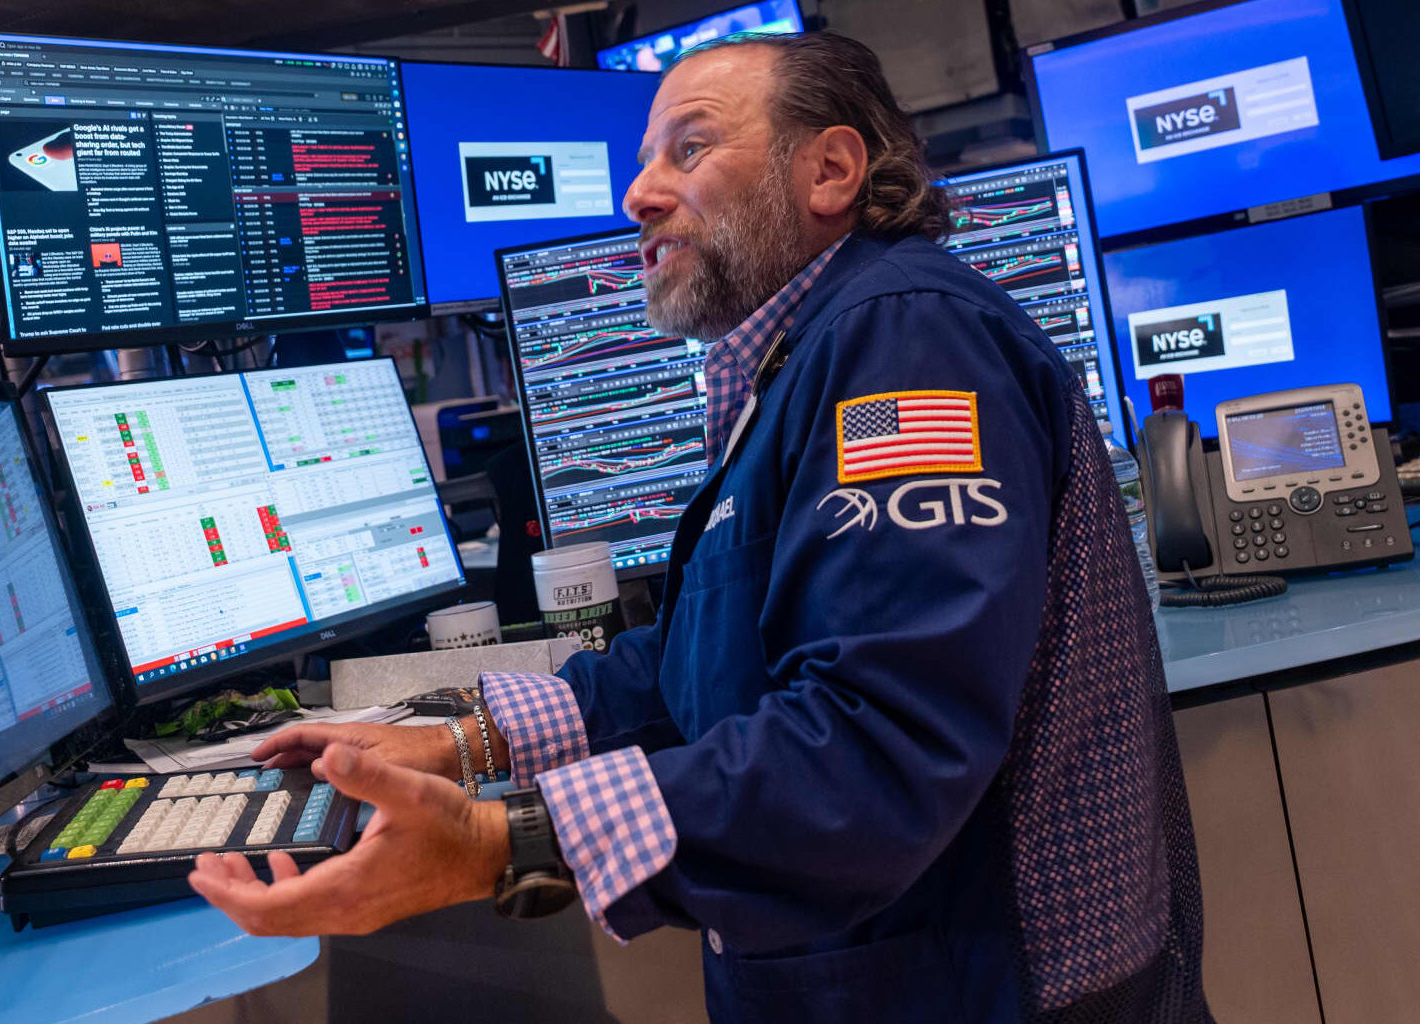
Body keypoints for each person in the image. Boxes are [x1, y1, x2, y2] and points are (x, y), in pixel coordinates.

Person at [189, 31, 1210, 1024]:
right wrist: (453, 744)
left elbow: (880, 748)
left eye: (690, 147)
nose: (636, 194)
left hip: (990, 992)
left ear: (830, 170)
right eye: (644, 161)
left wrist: (507, 841)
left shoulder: (908, 343)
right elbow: (702, 662)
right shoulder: (805, 358)